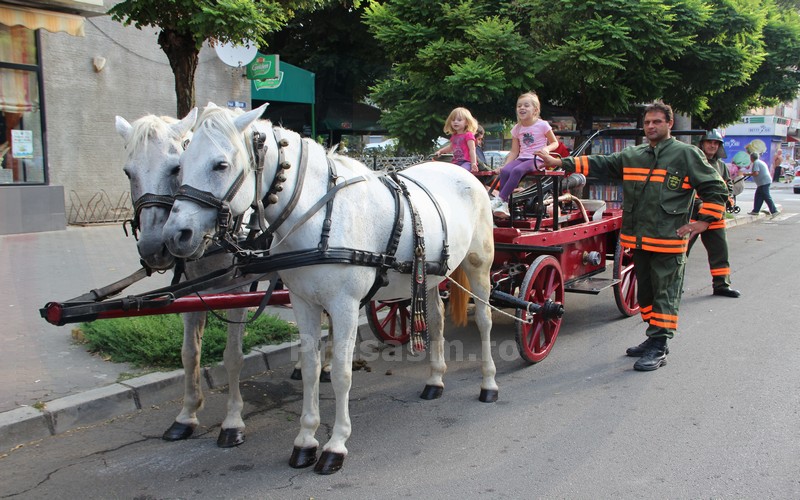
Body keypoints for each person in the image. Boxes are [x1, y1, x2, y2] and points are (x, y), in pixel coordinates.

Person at [535, 102, 728, 372]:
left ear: (669, 124)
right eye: (648, 122)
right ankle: (653, 337)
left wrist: (703, 223)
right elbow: (600, 163)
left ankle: (659, 346)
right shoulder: (634, 155)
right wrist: (560, 162)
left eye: (657, 122)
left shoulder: (686, 155)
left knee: (665, 295)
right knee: (646, 295)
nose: (651, 126)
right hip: (638, 240)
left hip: (668, 242)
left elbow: (715, 189)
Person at [687, 130, 741, 298]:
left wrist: (728, 199)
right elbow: (689, 188)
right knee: (680, 252)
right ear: (702, 144)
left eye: (716, 143)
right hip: (693, 217)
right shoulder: (693, 163)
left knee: (720, 253)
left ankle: (721, 285)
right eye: (709, 142)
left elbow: (727, 186)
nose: (712, 145)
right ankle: (674, 284)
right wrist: (700, 204)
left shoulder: (721, 166)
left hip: (716, 218)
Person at [490, 92, 559, 216]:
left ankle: (500, 199)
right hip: (522, 158)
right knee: (506, 171)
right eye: (519, 106)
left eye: (526, 105)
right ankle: (504, 204)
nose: (522, 108)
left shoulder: (542, 125)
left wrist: (547, 149)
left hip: (537, 158)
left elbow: (555, 142)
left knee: (517, 171)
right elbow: (514, 151)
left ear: (535, 110)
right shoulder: (517, 128)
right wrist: (505, 165)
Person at [434, 107, 479, 173]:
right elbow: (451, 147)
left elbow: (472, 149)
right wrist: (440, 151)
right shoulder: (454, 136)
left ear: (467, 122)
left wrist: (473, 163)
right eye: (453, 120)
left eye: (459, 120)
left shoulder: (468, 135)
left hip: (467, 162)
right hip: (456, 162)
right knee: (447, 172)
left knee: (461, 172)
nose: (455, 122)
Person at [747, 152, 780, 217]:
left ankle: (774, 211)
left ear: (751, 158)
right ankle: (755, 210)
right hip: (763, 182)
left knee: (766, 196)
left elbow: (756, 173)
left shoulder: (756, 163)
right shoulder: (760, 162)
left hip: (764, 182)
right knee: (758, 196)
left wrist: (747, 174)